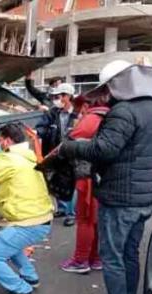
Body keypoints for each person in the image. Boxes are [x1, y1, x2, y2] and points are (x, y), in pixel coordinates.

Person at [59, 60, 152, 294]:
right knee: (129, 255)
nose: (107, 93)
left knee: (114, 258)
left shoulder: (124, 111)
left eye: (108, 87)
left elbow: (104, 150)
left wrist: (70, 148)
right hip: (143, 198)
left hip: (122, 199)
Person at [0, 123, 53, 294]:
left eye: (0, 140)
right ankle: (30, 277)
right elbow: (7, 193)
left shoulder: (9, 160)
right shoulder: (28, 158)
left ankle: (23, 291)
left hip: (28, 221)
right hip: (39, 218)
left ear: (8, 140)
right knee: (11, 245)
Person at [59, 95, 108, 274]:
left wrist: (78, 123)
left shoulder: (92, 118)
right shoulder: (111, 116)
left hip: (88, 176)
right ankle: (95, 259)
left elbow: (68, 141)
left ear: (87, 105)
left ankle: (80, 260)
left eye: (81, 108)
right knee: (96, 220)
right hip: (104, 176)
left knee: (85, 219)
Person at [36, 82, 79, 226]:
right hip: (56, 151)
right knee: (57, 180)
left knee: (71, 183)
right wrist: (37, 133)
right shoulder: (53, 113)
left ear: (68, 97)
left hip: (72, 153)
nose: (56, 99)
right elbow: (42, 126)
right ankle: (61, 208)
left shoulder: (77, 114)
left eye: (59, 96)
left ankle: (71, 213)